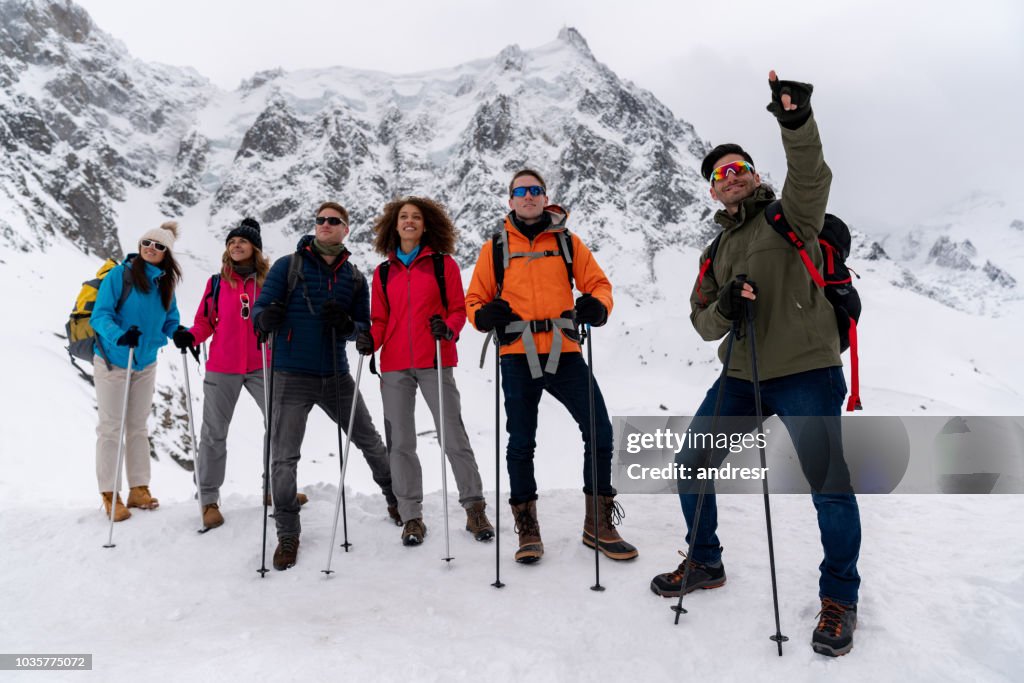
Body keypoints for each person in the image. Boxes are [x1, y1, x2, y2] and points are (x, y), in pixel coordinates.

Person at [648, 72, 862, 658]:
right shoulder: (713, 252)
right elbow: (702, 324)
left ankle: (839, 599)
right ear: (713, 193)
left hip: (806, 372)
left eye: (738, 166)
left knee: (829, 488)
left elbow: (812, 175)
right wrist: (723, 304)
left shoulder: (789, 218)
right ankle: (706, 560)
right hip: (741, 376)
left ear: (754, 175)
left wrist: (795, 121)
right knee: (691, 463)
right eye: (719, 174)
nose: (730, 175)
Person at [465, 169, 638, 564]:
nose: (528, 196)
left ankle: (598, 525)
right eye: (521, 191)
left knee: (599, 430)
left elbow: (599, 285)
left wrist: (598, 306)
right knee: (521, 442)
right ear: (510, 201)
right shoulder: (494, 248)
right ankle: (528, 529)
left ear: (545, 198)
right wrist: (483, 315)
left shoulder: (568, 243)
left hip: (565, 350)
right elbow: (474, 299)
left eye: (535, 190)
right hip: (517, 354)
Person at [253, 201, 397, 571]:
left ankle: (396, 500)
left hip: (336, 374)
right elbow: (260, 311)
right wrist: (265, 317)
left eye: (333, 221)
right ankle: (287, 532)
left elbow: (364, 331)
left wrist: (347, 325)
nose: (325, 225)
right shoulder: (287, 266)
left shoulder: (353, 277)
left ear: (346, 229)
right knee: (283, 458)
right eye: (320, 221)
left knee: (369, 440)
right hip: (290, 374)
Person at [356, 196, 494, 547]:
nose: (409, 221)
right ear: (394, 224)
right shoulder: (383, 272)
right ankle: (411, 515)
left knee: (453, 434)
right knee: (400, 442)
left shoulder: (441, 264)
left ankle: (474, 507)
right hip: (395, 365)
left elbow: (457, 309)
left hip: (435, 358)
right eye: (403, 216)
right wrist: (370, 339)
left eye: (416, 217)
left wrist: (447, 328)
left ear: (426, 223)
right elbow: (381, 318)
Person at [172, 218, 309, 530]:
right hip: (223, 365)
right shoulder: (217, 282)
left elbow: (286, 318)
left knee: (277, 425)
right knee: (213, 433)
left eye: (242, 242)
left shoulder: (271, 281)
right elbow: (205, 321)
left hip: (263, 362)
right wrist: (191, 336)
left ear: (255, 249)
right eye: (232, 241)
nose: (235, 245)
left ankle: (274, 490)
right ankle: (208, 499)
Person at [91, 221, 183, 521]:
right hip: (113, 359)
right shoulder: (121, 275)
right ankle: (110, 493)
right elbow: (100, 315)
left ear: (166, 253)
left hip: (145, 362)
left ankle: (139, 488)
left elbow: (170, 318)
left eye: (158, 246)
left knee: (138, 425)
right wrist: (119, 335)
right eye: (146, 243)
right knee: (111, 426)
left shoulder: (164, 282)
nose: (150, 249)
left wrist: (179, 331)